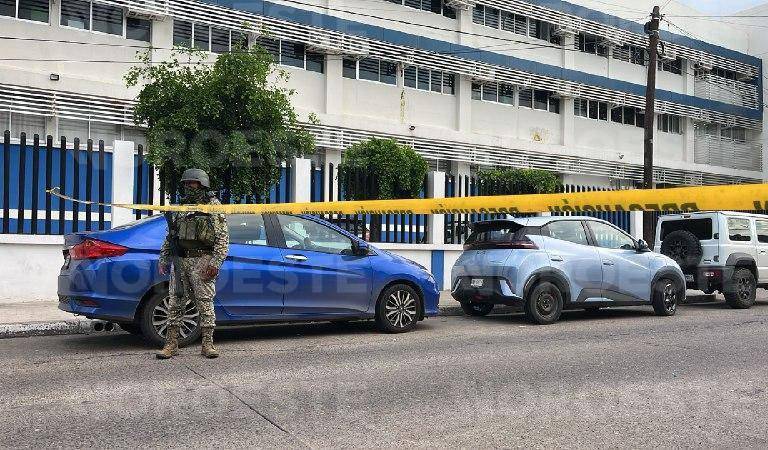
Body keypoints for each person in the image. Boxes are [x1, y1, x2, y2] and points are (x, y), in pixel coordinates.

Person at [156, 169, 229, 359]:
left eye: (192, 183)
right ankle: (171, 344)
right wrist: (164, 257)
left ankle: (207, 344)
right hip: (180, 260)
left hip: (202, 261)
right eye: (186, 184)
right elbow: (171, 235)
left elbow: (222, 238)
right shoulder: (183, 206)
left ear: (202, 184)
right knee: (175, 302)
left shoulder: (213, 206)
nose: (188, 187)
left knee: (205, 303)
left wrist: (216, 263)